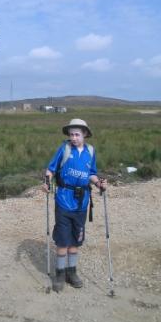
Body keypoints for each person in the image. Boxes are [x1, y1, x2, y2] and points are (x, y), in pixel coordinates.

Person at [44, 118, 107, 293]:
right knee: (63, 240)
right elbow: (50, 169)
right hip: (63, 200)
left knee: (75, 241)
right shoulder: (64, 149)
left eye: (77, 134)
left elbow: (92, 174)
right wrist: (46, 182)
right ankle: (59, 274)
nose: (74, 137)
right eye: (71, 134)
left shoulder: (90, 151)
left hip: (82, 202)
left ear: (85, 134)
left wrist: (99, 183)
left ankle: (72, 272)